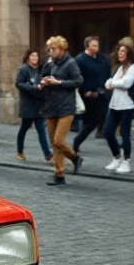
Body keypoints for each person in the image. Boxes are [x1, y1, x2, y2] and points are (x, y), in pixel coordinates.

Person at [38, 36, 83, 186]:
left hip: (66, 107)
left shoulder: (70, 63)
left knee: (59, 140)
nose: (51, 52)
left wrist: (59, 82)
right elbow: (42, 77)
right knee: (54, 143)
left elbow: (78, 81)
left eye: (54, 49)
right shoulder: (51, 64)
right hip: (51, 106)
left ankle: (74, 158)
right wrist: (44, 81)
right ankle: (59, 174)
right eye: (49, 49)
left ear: (62, 49)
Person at [101, 43, 134, 174]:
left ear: (129, 54)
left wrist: (112, 83)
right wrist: (111, 82)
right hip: (115, 104)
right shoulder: (120, 68)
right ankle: (116, 156)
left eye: (123, 51)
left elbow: (126, 83)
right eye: (119, 51)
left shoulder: (133, 68)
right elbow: (109, 81)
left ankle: (126, 161)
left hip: (127, 105)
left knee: (124, 134)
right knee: (107, 131)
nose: (120, 53)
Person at [71, 36, 110, 154]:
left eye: (97, 45)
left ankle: (111, 142)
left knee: (106, 119)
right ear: (87, 46)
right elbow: (77, 77)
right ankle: (77, 141)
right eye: (93, 45)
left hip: (102, 93)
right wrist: (85, 90)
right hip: (89, 95)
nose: (96, 48)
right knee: (91, 122)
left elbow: (107, 72)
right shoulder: (80, 60)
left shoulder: (102, 59)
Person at [14, 50, 52, 162]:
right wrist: (33, 87)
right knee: (24, 128)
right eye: (32, 55)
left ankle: (48, 155)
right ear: (28, 57)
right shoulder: (23, 69)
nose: (35, 57)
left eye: (36, 55)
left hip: (38, 103)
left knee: (41, 129)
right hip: (28, 104)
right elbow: (19, 83)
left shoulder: (41, 69)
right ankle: (20, 151)